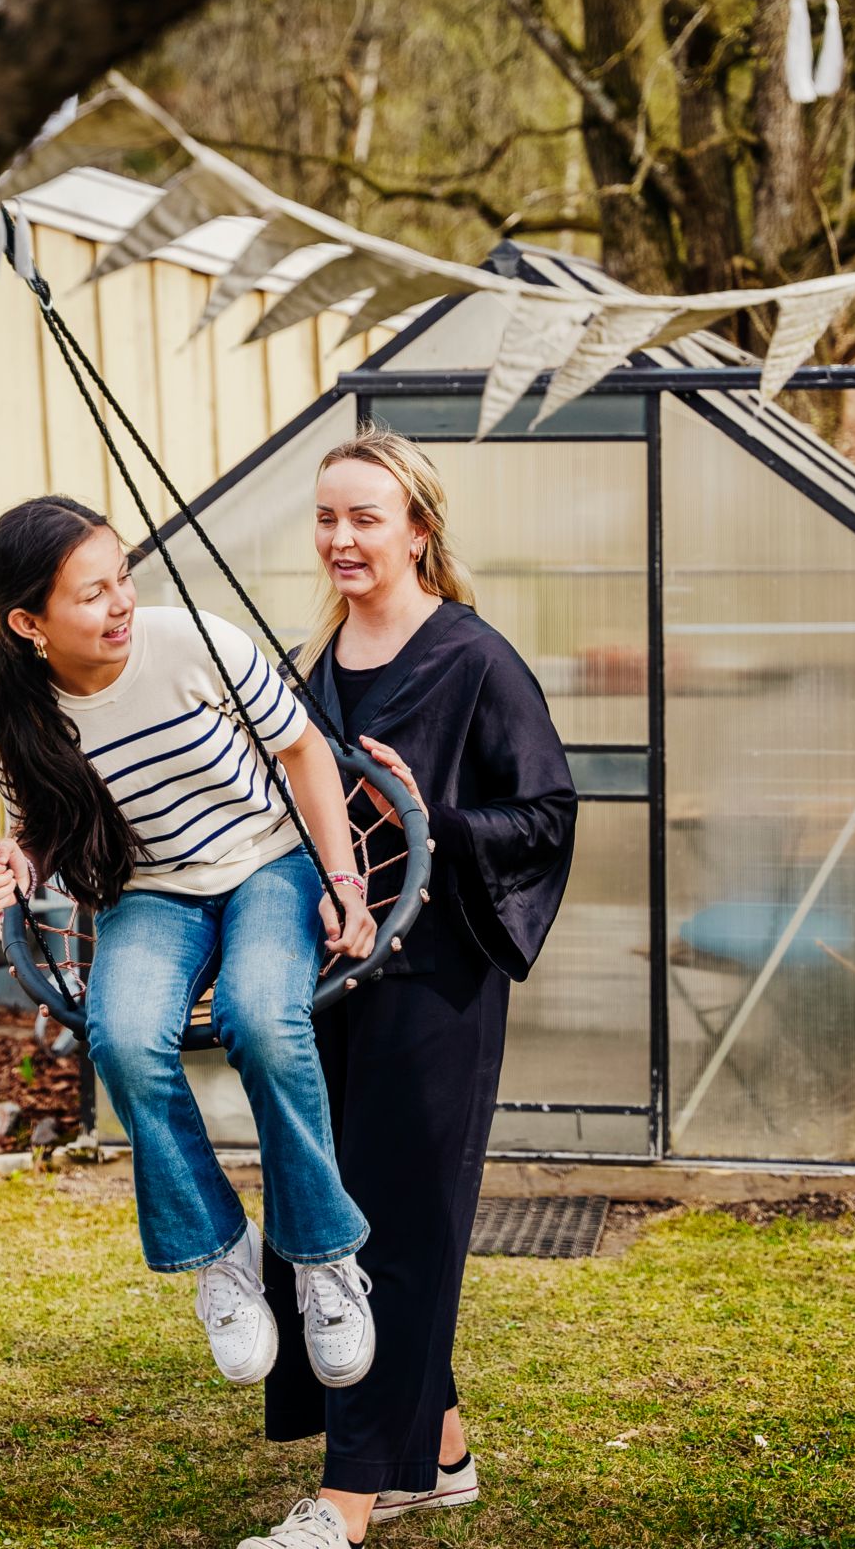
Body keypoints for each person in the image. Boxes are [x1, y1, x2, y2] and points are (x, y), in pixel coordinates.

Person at [240, 427, 578, 1549]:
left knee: (396, 1229)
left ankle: (348, 1501)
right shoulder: (309, 664)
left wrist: (431, 820)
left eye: (365, 517)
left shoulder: (476, 659)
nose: (340, 537)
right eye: (326, 517)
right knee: (325, 1209)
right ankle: (440, 1456)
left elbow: (547, 813)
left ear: (419, 530)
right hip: (328, 974)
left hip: (436, 980)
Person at [0, 495, 379, 1399]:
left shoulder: (195, 642)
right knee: (119, 1036)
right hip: (151, 890)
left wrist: (343, 880)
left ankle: (323, 1258)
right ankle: (221, 1253)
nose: (121, 604)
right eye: (91, 594)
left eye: (122, 578)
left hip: (269, 861)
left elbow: (307, 752)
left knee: (262, 1019)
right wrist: (13, 867)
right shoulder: (12, 721)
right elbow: (44, 830)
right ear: (30, 624)